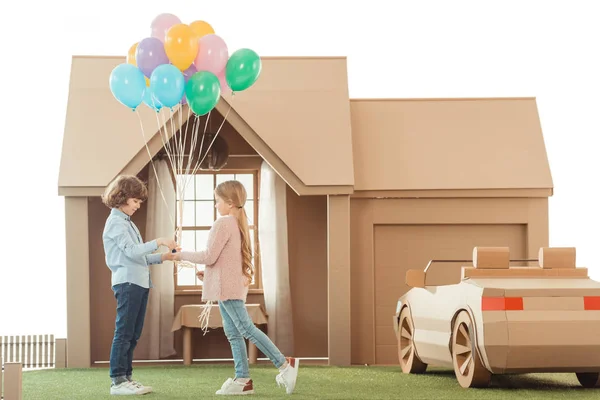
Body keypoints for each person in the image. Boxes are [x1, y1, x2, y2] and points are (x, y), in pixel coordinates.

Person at [174, 180, 300, 396]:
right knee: (234, 333)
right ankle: (242, 379)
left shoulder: (223, 223)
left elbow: (208, 256)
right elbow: (226, 261)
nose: (216, 205)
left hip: (228, 289)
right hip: (230, 287)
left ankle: (284, 365)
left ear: (230, 203)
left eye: (218, 201)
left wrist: (178, 254)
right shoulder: (236, 224)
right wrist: (210, 274)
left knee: (245, 329)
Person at [101, 175, 178, 396]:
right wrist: (160, 241)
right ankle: (117, 381)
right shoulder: (116, 223)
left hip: (139, 282)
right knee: (124, 332)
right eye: (135, 201)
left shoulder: (127, 223)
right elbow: (133, 252)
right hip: (127, 283)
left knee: (133, 333)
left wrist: (164, 257)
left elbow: (138, 258)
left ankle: (126, 378)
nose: (137, 206)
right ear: (123, 197)